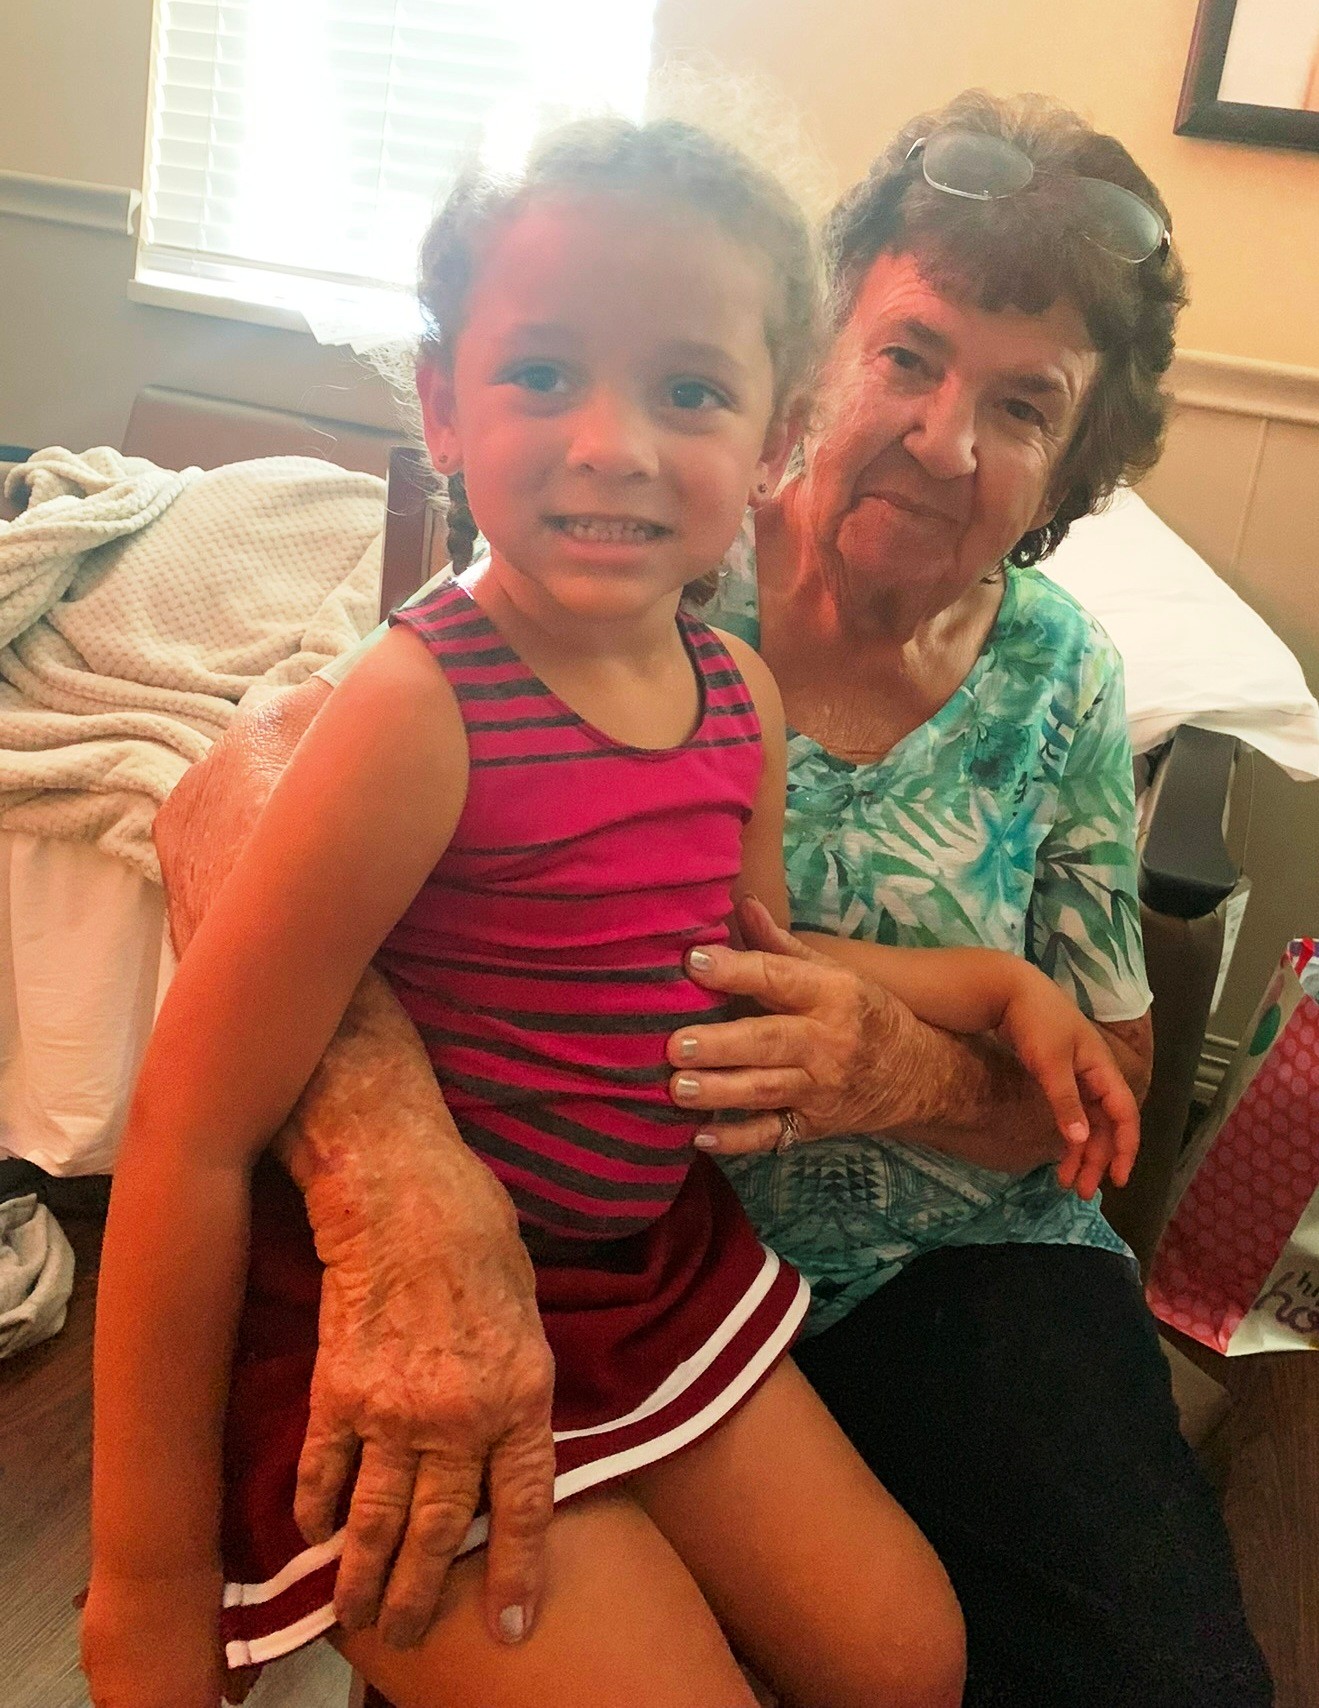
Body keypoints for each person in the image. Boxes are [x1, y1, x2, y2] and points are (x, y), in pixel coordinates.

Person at [134, 93, 1269, 1708]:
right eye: (913, 357)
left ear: (1073, 465)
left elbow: (1045, 1071)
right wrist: (393, 1164)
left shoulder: (1012, 675)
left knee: (1055, 1673)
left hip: (859, 1277)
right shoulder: (617, 571)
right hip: (578, 1243)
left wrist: (931, 1038)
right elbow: (236, 800)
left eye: (1024, 406)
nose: (948, 439)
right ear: (820, 376)